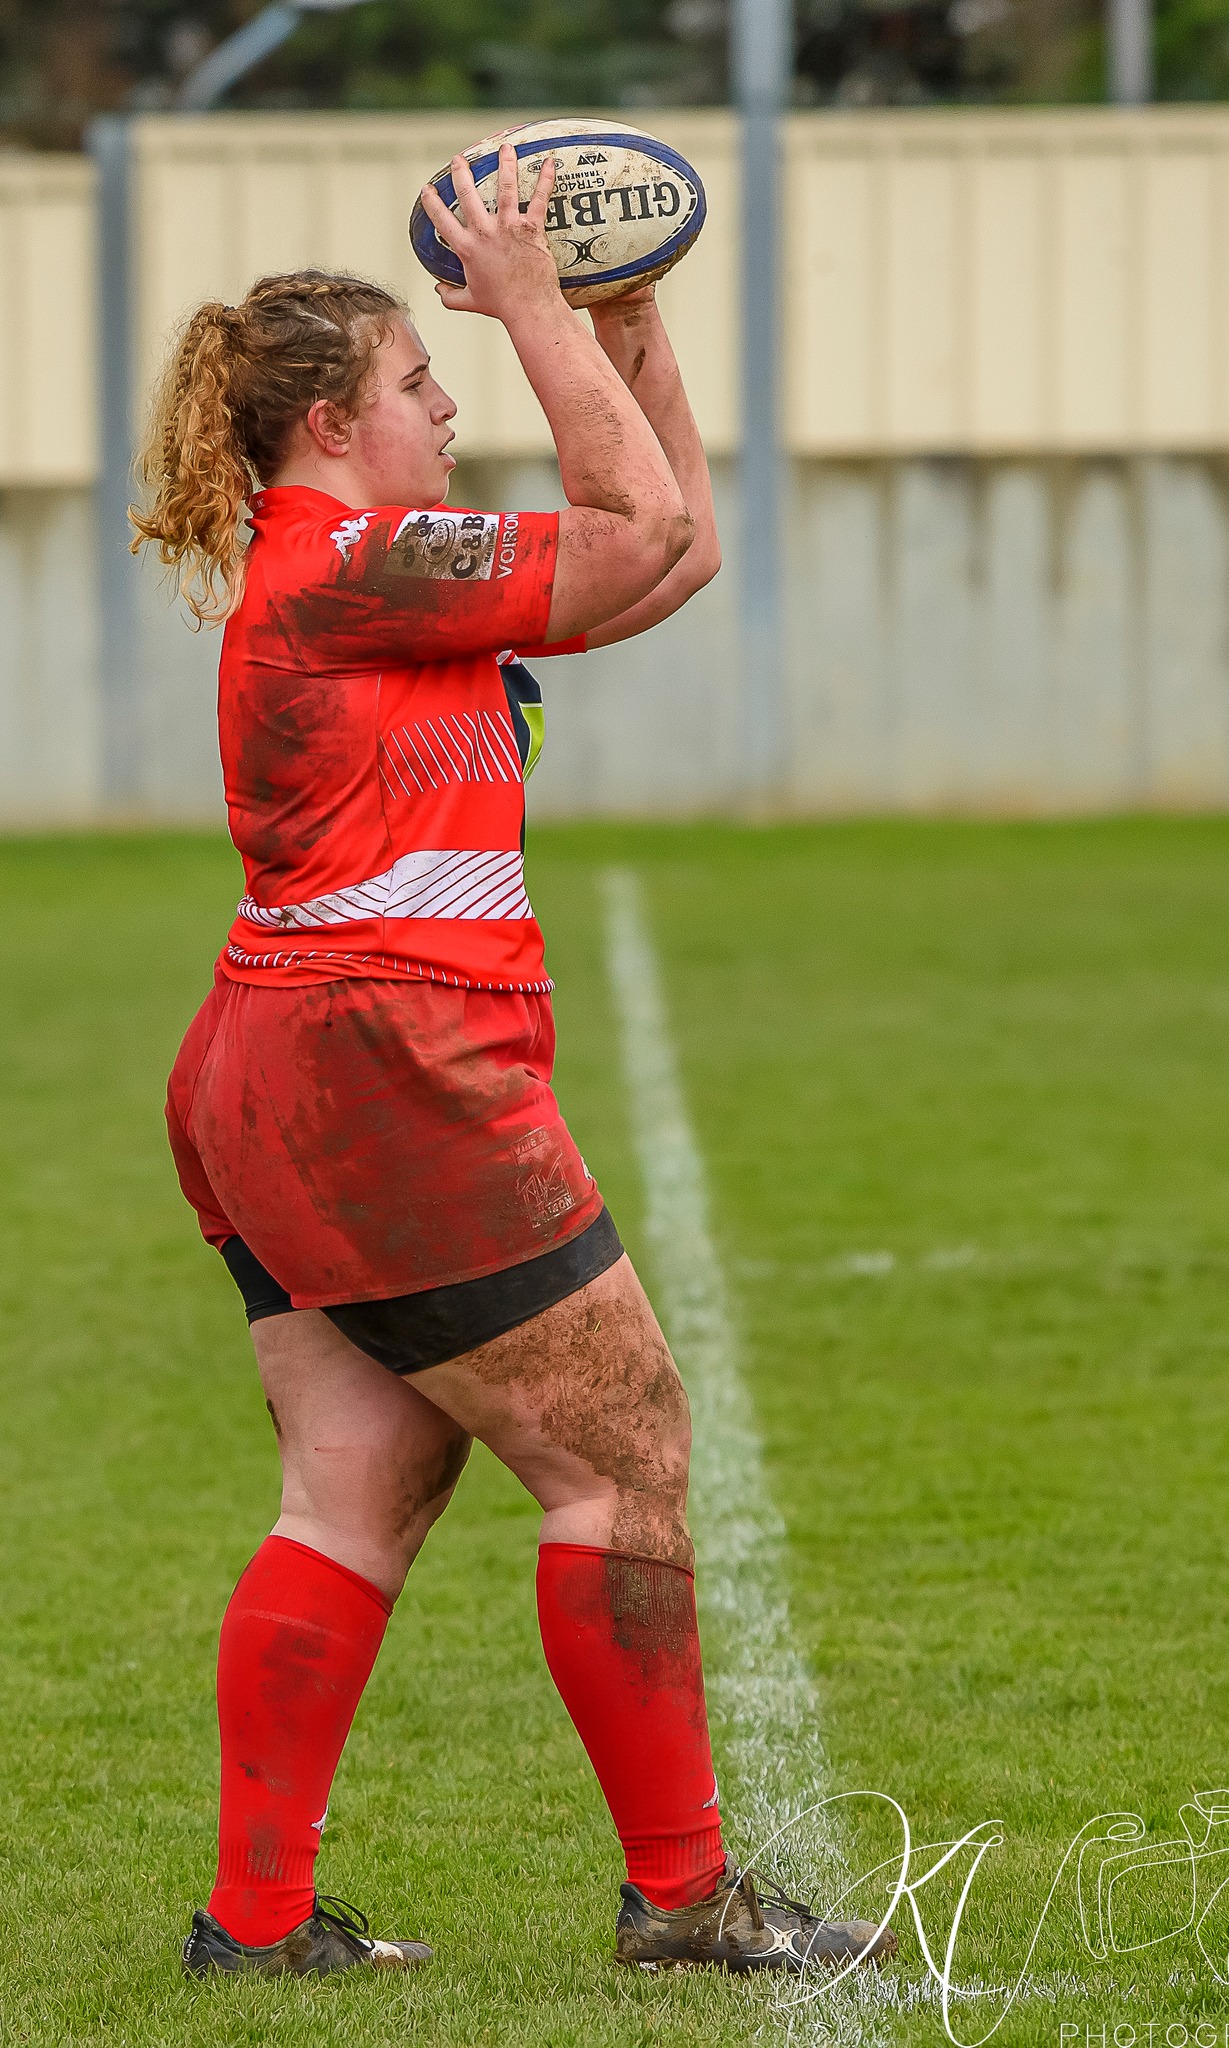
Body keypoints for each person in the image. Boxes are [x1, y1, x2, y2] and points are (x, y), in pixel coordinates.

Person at [133, 144, 896, 1981]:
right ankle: (688, 1896)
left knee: (355, 1493)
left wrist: (624, 329)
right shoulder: (355, 562)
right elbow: (629, 537)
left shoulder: (369, 568)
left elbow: (674, 552)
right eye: (419, 381)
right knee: (627, 1455)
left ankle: (256, 1925)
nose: (450, 396)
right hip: (380, 1071)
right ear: (332, 423)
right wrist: (547, 311)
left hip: (281, 1069)